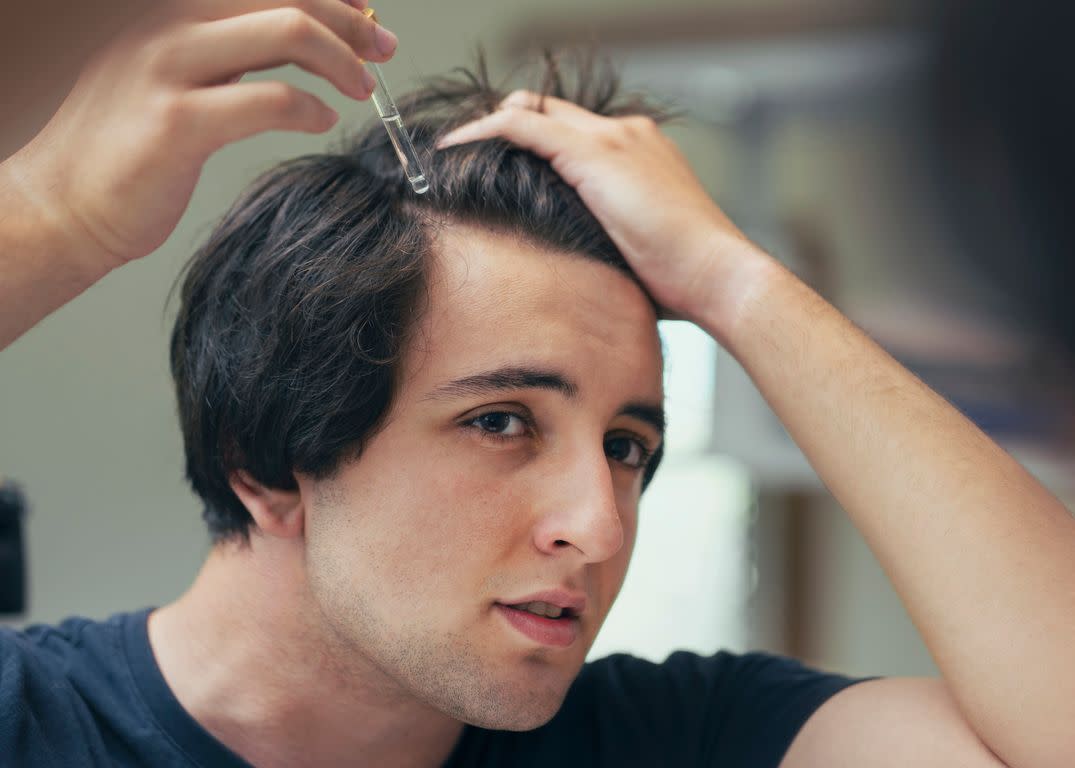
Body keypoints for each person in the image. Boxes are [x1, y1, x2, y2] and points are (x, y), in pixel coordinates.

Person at [1, 2, 1072, 767]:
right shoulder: (25, 722)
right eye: (502, 420)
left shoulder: (690, 740)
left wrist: (738, 286)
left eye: (626, 445)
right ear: (270, 465)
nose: (598, 528)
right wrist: (51, 221)